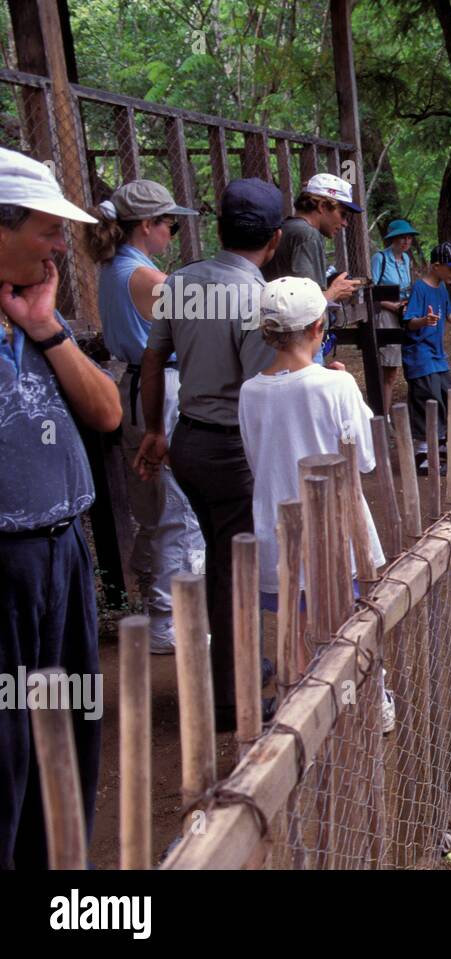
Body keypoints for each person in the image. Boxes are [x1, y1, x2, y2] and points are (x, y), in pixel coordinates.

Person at [0, 146, 121, 868]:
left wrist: (46, 329)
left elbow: (106, 413)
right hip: (5, 566)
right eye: (47, 230)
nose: (57, 246)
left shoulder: (37, 319)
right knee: (7, 744)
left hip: (63, 553)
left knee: (70, 728)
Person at [135, 177, 283, 733]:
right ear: (273, 239)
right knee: (235, 571)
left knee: (222, 563)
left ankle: (237, 665)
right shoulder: (258, 298)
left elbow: (154, 363)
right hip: (230, 450)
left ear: (219, 229)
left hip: (188, 440)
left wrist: (155, 430)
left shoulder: (181, 281)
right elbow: (259, 389)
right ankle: (230, 699)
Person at [237, 277, 392, 732]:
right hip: (337, 535)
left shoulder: (248, 392)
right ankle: (369, 702)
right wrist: (352, 392)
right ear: (319, 327)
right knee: (352, 626)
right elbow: (363, 458)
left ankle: (308, 718)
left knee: (299, 629)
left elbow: (255, 458)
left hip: (278, 535)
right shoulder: (334, 387)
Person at [89, 179, 205, 655]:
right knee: (179, 506)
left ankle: (156, 606)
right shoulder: (146, 278)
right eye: (170, 225)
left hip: (139, 386)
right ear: (147, 227)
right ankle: (167, 622)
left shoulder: (118, 269)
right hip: (161, 388)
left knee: (155, 503)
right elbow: (211, 320)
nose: (171, 234)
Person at [262, 172, 364, 370]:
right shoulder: (308, 234)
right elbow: (302, 307)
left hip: (278, 340)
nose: (345, 223)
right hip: (300, 345)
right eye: (342, 214)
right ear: (323, 206)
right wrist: (334, 292)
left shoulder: (287, 229)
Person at [402, 243, 451, 476]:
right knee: (427, 400)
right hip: (420, 357)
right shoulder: (420, 288)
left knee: (446, 397)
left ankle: (440, 448)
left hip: (438, 357)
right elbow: (410, 321)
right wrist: (424, 321)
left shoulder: (442, 288)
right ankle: (422, 456)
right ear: (436, 266)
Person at [370, 219, 418, 412]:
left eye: (409, 238)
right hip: (386, 316)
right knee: (388, 368)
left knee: (398, 367)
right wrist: (394, 307)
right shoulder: (380, 259)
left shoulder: (406, 260)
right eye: (401, 238)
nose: (406, 241)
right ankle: (383, 415)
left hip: (405, 314)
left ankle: (387, 414)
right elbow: (371, 293)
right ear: (393, 239)